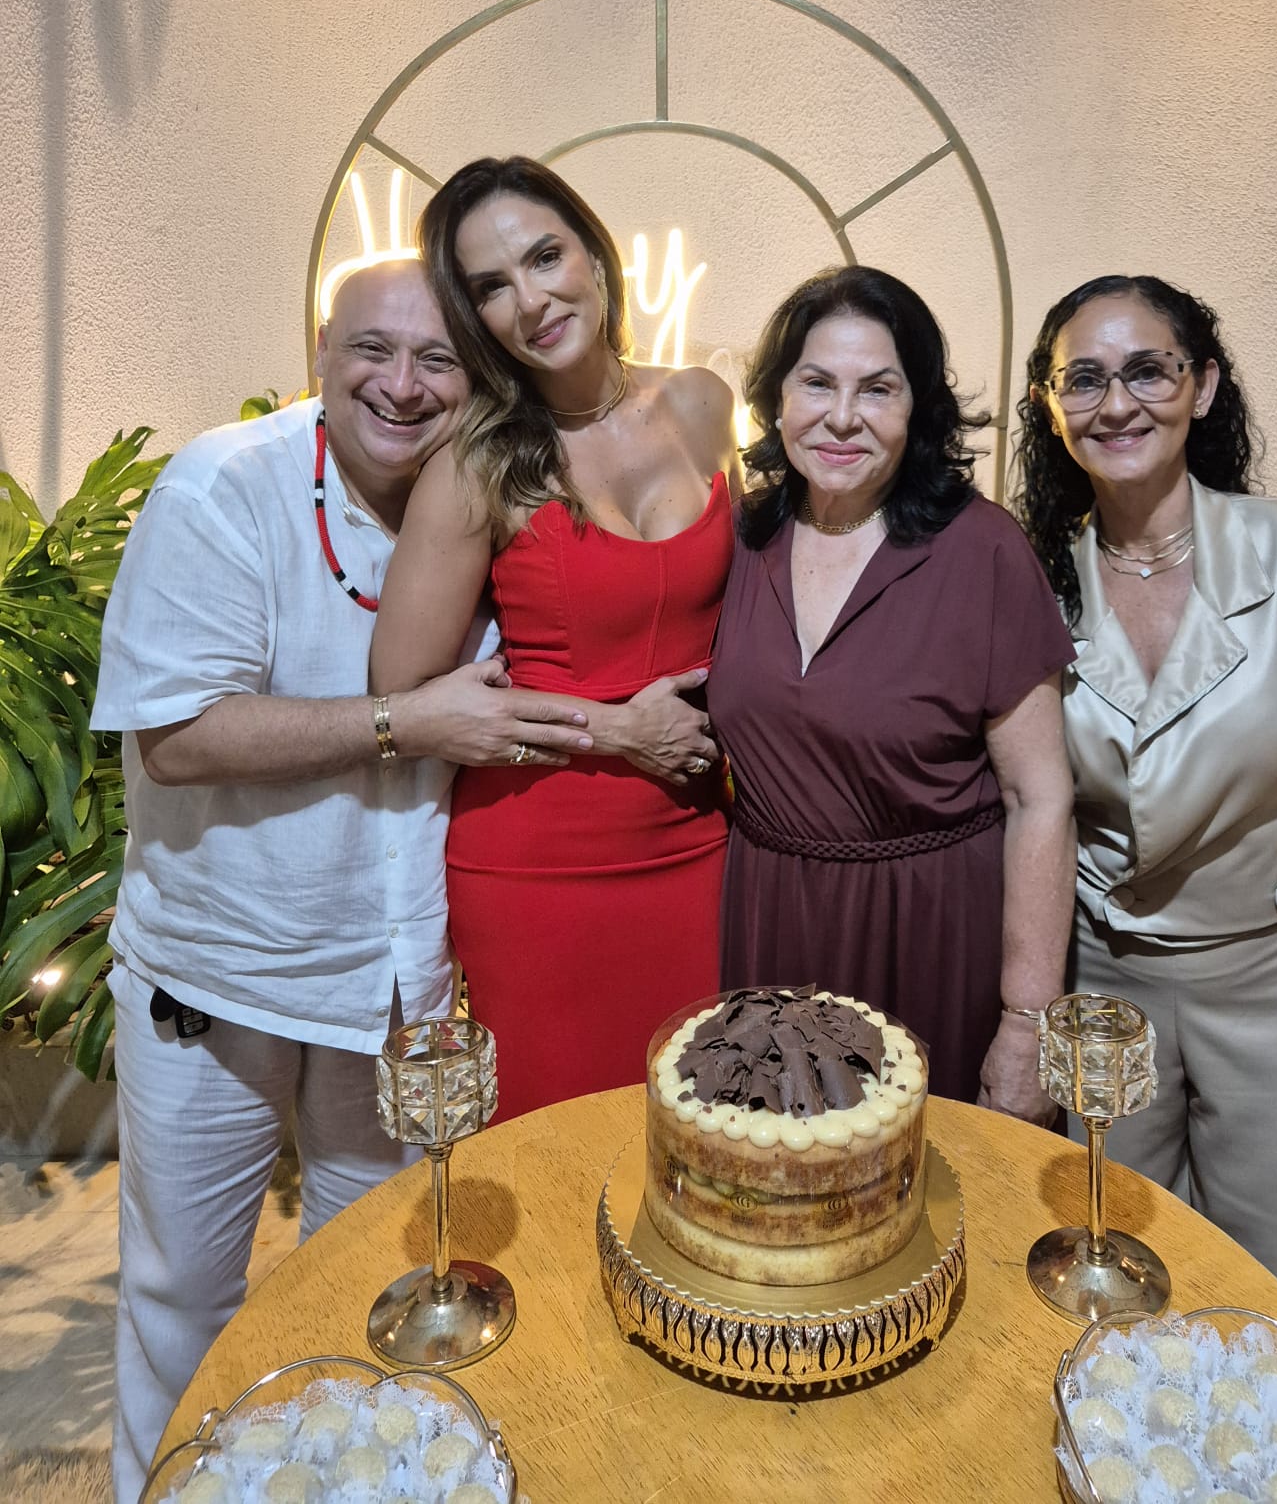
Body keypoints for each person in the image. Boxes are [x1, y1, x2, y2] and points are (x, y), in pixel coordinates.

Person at [92, 259, 595, 1502]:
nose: (403, 385)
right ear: (320, 351)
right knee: (181, 1298)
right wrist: (403, 720)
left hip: (394, 985)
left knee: (370, 1284)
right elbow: (177, 737)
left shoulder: (497, 499)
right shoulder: (225, 486)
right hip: (219, 976)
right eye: (373, 349)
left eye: (439, 360)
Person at [1013, 273, 1277, 1376]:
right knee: (1111, 1289)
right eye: (1083, 379)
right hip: (1104, 985)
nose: (1116, 403)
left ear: (1200, 386)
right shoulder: (1032, 579)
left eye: (1146, 371)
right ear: (1050, 408)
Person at [371, 156, 737, 1121]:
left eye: (544, 257)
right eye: (492, 286)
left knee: (702, 1130)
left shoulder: (701, 402)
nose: (530, 300)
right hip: (540, 861)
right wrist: (615, 730)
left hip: (701, 838)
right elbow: (404, 695)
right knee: (555, 1145)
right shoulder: (476, 461)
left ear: (596, 257)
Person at [707, 266, 1077, 1107]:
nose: (843, 416)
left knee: (935, 1177)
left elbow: (1040, 797)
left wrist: (1028, 1023)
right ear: (776, 398)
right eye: (817, 383)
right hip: (771, 924)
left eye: (878, 388)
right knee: (773, 1168)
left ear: (919, 408)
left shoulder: (983, 552)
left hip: (930, 931)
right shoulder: (746, 537)